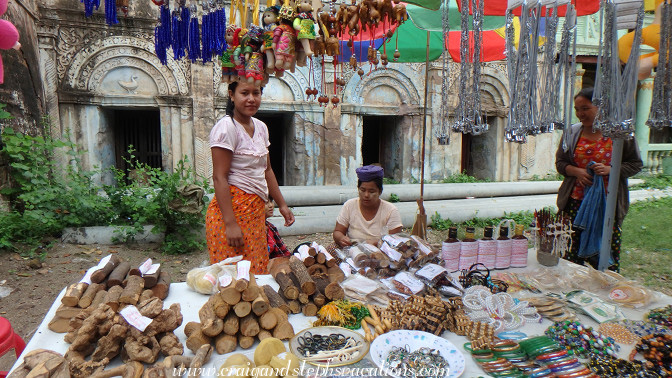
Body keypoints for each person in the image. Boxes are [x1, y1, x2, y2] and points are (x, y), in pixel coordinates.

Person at [206, 81, 295, 274]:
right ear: (231, 94)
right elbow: (219, 178)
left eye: (256, 93)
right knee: (232, 279)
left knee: (257, 270)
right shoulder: (226, 128)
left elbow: (267, 170)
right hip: (230, 214)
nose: (251, 99)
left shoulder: (261, 127)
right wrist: (230, 224)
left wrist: (282, 204)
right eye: (244, 93)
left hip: (255, 214)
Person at [555, 87, 643, 271]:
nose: (580, 114)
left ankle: (605, 293)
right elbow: (561, 163)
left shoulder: (620, 134)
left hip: (608, 205)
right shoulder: (572, 133)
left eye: (585, 108)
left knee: (605, 257)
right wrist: (577, 171)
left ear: (601, 108)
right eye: (577, 109)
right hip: (575, 203)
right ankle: (573, 293)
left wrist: (611, 169)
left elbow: (635, 164)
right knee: (570, 257)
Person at [332, 165, 403, 247]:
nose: (366, 195)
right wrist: (341, 238)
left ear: (380, 191)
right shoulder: (349, 206)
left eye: (371, 191)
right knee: (332, 248)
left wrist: (377, 243)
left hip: (382, 253)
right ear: (358, 189)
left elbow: (395, 241)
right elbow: (338, 231)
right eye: (362, 190)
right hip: (354, 250)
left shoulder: (391, 211)